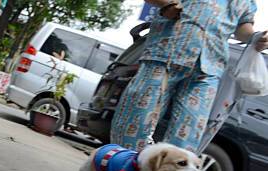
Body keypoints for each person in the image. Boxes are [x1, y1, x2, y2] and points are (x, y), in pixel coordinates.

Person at [111, 0, 268, 153]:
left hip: (210, 67)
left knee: (189, 132)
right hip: (167, 54)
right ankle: (124, 170)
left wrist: (256, 38)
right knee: (138, 119)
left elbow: (242, 28)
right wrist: (166, 4)